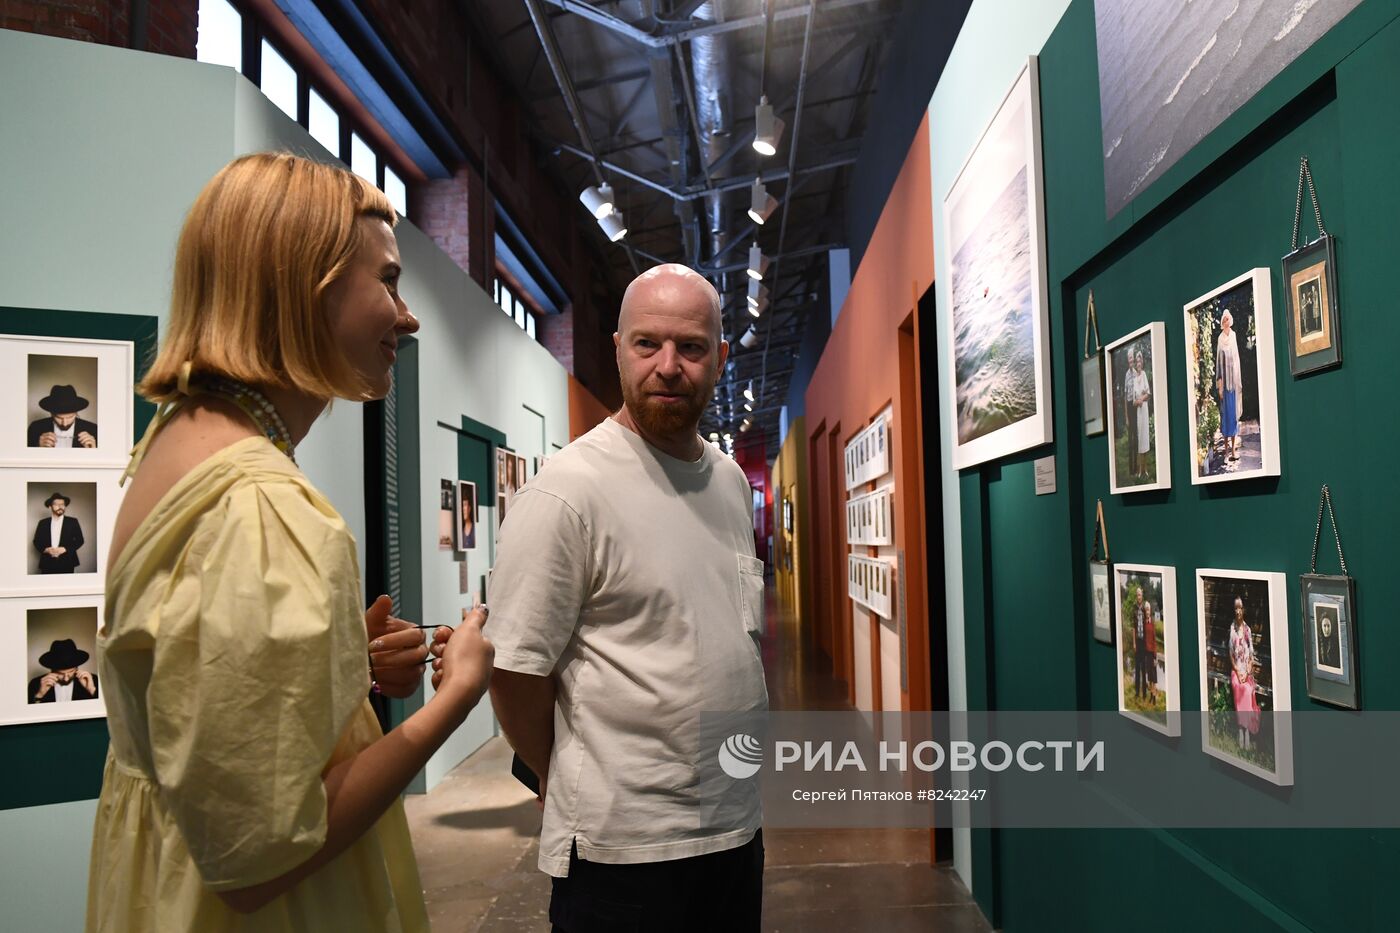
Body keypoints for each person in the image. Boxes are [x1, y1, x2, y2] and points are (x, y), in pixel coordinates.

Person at [86, 152, 494, 932]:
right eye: (388, 280)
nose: (407, 318)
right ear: (307, 284)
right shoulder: (262, 506)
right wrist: (454, 701)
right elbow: (258, 857)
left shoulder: (179, 449)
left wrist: (344, 672)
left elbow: (195, 705)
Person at [485, 264, 768, 932]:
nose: (668, 365)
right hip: (621, 854)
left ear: (721, 357)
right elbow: (515, 672)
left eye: (691, 347)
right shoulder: (567, 492)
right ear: (617, 347)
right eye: (648, 344)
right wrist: (564, 775)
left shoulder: (728, 483)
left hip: (733, 832)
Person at [1228, 596, 1261, 751]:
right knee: (1239, 688)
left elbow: (1251, 657)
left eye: (1240, 608)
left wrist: (1246, 673)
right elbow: (1230, 654)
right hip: (1236, 672)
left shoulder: (1247, 631)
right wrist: (1237, 671)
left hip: (1246, 673)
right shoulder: (1232, 629)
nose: (1238, 611)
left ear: (1244, 610)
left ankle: (1246, 731)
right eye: (1236, 608)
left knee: (1247, 690)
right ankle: (1241, 731)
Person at [29, 638, 99, 703]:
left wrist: (92, 691)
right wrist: (39, 695)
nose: (66, 679)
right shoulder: (35, 684)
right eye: (60, 674)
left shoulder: (93, 681)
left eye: (71, 672)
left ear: (77, 668)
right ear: (52, 670)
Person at [28, 384, 98, 448]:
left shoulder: (93, 430)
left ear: (76, 413)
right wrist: (38, 448)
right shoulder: (35, 428)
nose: (64, 423)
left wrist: (94, 450)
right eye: (59, 418)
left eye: (70, 417)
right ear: (51, 413)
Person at [1216, 309, 1243, 463]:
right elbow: (1219, 366)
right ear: (1222, 322)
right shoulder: (1220, 339)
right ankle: (1225, 452)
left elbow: (1237, 360)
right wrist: (1220, 387)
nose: (1226, 321)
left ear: (1230, 320)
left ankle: (1233, 450)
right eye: (1224, 319)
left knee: (1233, 418)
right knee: (1225, 418)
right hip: (1224, 386)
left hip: (1233, 383)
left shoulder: (1233, 336)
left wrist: (1238, 381)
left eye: (1228, 319)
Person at [33, 491, 84, 574]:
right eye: (57, 504)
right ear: (50, 507)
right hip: (47, 563)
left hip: (68, 562)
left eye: (62, 504)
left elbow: (80, 540)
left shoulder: (73, 522)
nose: (60, 507)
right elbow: (36, 541)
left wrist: (65, 549)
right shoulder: (42, 523)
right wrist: (46, 550)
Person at [1132, 349, 1151, 480]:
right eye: (1137, 362)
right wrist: (1136, 401)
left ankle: (1146, 469)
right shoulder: (1134, 380)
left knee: (1145, 436)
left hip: (1144, 408)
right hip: (1138, 410)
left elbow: (1148, 394)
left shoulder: (1144, 375)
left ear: (1142, 363)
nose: (1139, 364)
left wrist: (1141, 400)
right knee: (1139, 438)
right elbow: (1133, 400)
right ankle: (1140, 470)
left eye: (1140, 362)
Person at [1132, 590, 1147, 701]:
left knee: (1144, 668)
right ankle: (1137, 693)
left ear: (1142, 596)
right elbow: (1133, 628)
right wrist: (1133, 643)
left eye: (1140, 595)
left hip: (1144, 642)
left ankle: (1145, 694)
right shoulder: (1134, 609)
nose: (1139, 597)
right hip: (1137, 641)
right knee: (1137, 668)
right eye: (1137, 595)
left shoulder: (1145, 608)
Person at [1143, 596, 1157, 707]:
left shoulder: (1152, 624)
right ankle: (1151, 696)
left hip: (1152, 653)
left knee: (1154, 675)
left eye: (1149, 610)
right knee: (1149, 676)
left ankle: (1154, 696)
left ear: (1150, 611)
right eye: (1146, 610)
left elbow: (1154, 640)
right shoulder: (1143, 624)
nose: (1148, 612)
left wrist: (1156, 656)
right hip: (1146, 653)